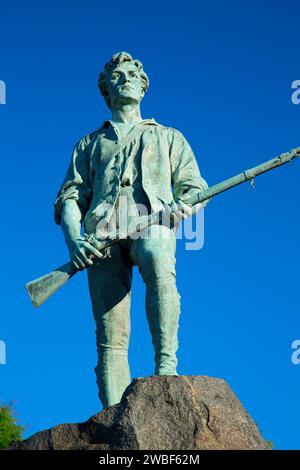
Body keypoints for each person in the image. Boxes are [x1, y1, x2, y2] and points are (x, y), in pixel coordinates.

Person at [54, 51, 209, 408]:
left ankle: (166, 368)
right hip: (99, 237)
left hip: (152, 222)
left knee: (156, 254)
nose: (125, 78)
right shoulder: (89, 144)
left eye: (131, 74)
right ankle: (113, 416)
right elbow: (70, 197)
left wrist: (187, 204)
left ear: (143, 86)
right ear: (106, 89)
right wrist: (74, 240)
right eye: (117, 75)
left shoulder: (169, 137)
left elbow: (194, 188)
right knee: (111, 333)